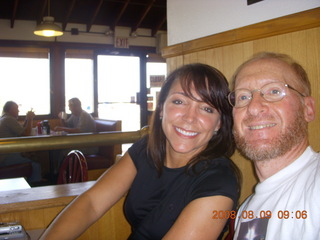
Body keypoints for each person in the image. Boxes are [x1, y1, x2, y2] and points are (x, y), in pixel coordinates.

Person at [40, 63, 240, 240]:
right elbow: (91, 203)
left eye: (206, 109)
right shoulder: (147, 148)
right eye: (179, 101)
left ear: (219, 123)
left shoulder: (219, 181)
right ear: (161, 108)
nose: (190, 117)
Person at [228, 52, 319, 239]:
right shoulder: (246, 210)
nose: (253, 107)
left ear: (308, 109)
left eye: (274, 91)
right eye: (243, 97)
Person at [0, 101, 41, 183]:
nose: (18, 111)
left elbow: (21, 130)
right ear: (10, 110)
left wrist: (27, 119)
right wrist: (30, 119)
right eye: (16, 109)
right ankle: (35, 185)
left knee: (32, 156)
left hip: (5, 153)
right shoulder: (9, 119)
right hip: (4, 157)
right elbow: (26, 134)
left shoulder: (4, 118)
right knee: (36, 165)